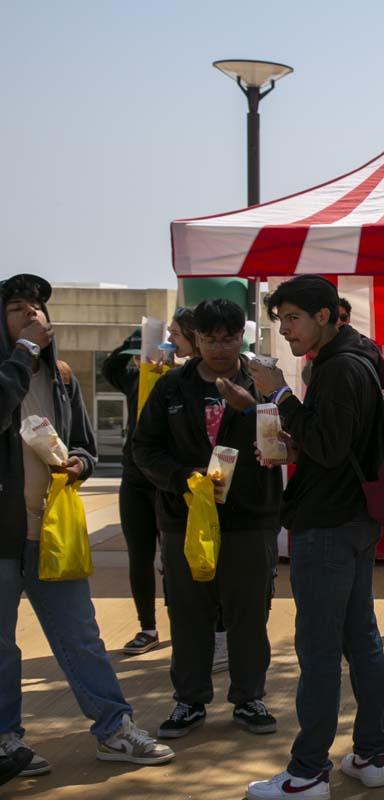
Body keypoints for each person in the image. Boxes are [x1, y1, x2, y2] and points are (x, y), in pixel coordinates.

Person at [0, 274, 175, 775]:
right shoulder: (10, 368)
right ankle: (6, 740)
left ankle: (113, 728)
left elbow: (84, 443)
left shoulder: (61, 375)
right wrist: (21, 353)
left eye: (37, 308)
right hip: (2, 536)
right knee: (2, 645)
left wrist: (78, 463)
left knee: (81, 636)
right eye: (17, 308)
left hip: (52, 531)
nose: (32, 315)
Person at [245, 276, 384, 799]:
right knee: (362, 641)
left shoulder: (338, 368)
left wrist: (279, 394)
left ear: (327, 316)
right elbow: (336, 443)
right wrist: (294, 440)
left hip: (328, 527)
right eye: (279, 319)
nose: (284, 330)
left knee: (320, 650)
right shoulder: (361, 359)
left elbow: (329, 447)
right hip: (354, 520)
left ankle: (308, 772)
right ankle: (372, 754)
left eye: (293, 318)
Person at [132, 299, 282, 740]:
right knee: (189, 611)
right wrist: (182, 478)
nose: (218, 348)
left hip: (250, 517)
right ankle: (190, 699)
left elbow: (285, 438)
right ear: (195, 339)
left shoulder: (263, 381)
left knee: (249, 611)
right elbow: (143, 449)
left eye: (228, 338)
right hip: (184, 518)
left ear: (242, 337)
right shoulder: (173, 387)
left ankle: (250, 696)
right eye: (209, 339)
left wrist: (251, 410)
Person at [102, 306, 199, 657]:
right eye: (166, 335)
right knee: (139, 554)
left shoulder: (189, 379)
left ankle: (183, 624)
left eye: (175, 334)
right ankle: (147, 627)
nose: (169, 341)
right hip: (135, 478)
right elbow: (110, 368)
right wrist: (139, 339)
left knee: (175, 557)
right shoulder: (142, 375)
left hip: (172, 479)